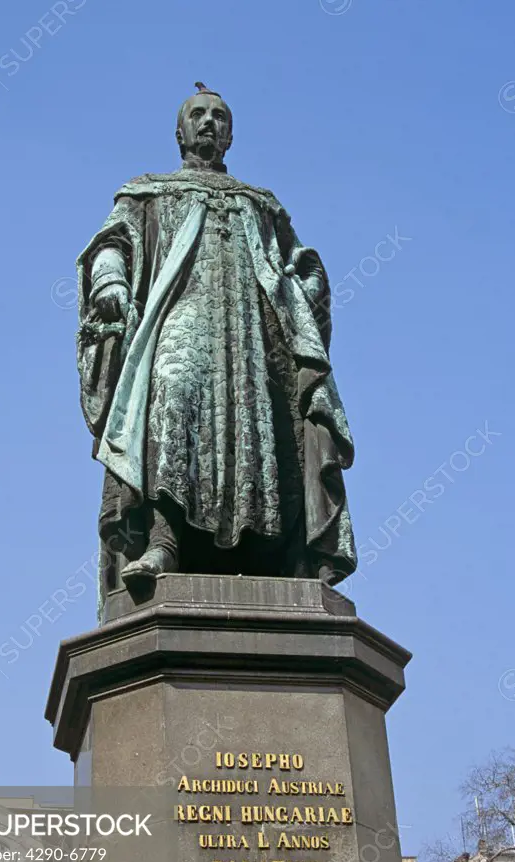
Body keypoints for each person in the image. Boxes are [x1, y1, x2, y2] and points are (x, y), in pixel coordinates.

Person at [76, 84, 356, 596]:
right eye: (198, 115)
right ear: (179, 132)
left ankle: (267, 556)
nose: (209, 122)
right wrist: (110, 282)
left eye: (220, 116)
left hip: (253, 342)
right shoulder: (147, 192)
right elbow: (111, 245)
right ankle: (163, 539)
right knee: (169, 397)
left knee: (260, 436)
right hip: (176, 325)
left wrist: (307, 289)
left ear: (231, 134)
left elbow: (297, 264)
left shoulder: (261, 204)